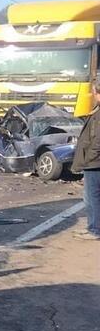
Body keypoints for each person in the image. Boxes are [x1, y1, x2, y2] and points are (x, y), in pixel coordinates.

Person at [72, 82, 100, 241]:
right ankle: (93, 227)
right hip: (95, 162)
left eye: (93, 92)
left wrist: (88, 158)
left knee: (92, 197)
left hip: (95, 163)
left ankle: (95, 230)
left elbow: (97, 141)